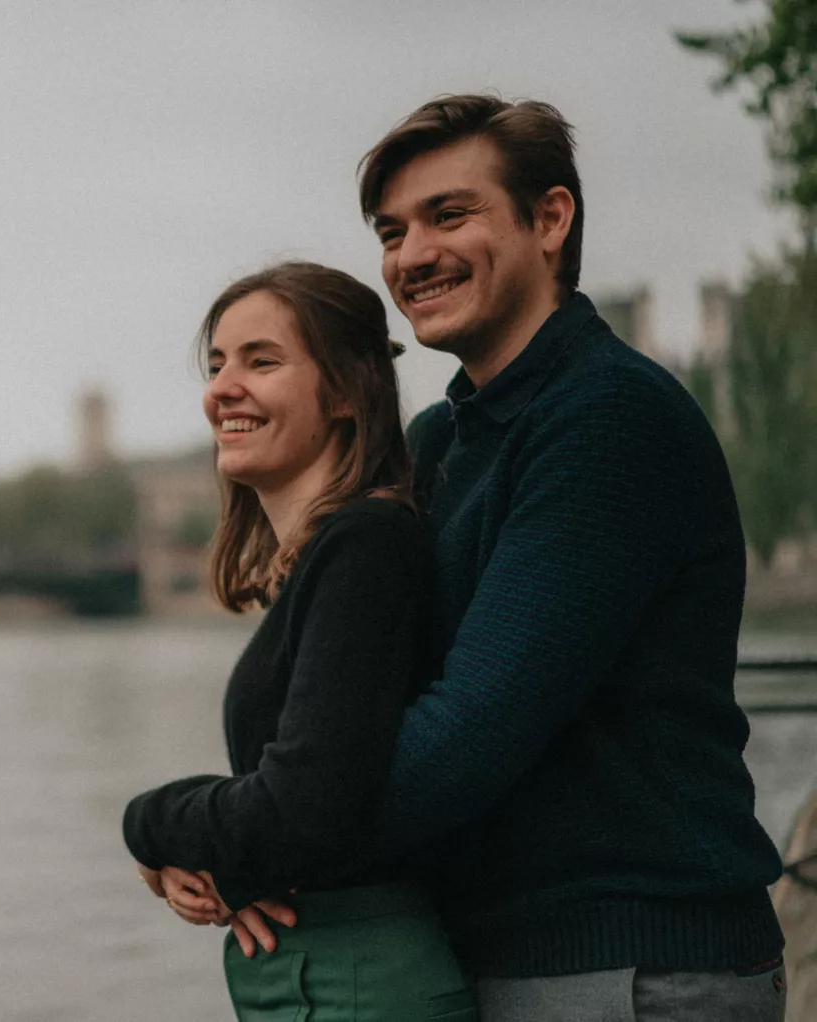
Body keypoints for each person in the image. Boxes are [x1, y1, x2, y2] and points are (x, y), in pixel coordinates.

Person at [262, 93, 781, 1021]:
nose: (411, 255)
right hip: (491, 958)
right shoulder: (435, 444)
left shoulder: (607, 418)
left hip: (629, 970)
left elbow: (470, 732)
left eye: (449, 215)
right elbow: (319, 706)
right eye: (392, 230)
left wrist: (249, 838)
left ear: (551, 219)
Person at [122, 261, 478, 1021]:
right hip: (321, 975)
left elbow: (306, 809)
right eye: (217, 365)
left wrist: (149, 821)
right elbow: (321, 797)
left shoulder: (367, 544)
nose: (223, 388)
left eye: (262, 360)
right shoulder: (332, 558)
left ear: (348, 392)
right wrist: (237, 865)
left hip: (358, 986)